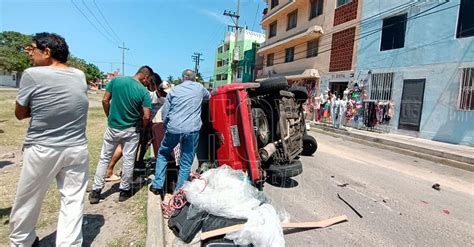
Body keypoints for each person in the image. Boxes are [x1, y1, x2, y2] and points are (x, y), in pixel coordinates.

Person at [10, 32, 89, 246]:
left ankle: (22, 240)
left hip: (42, 147)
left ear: (47, 52)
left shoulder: (32, 74)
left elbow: (20, 113)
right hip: (77, 147)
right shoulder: (80, 75)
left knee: (28, 199)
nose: (30, 54)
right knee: (73, 201)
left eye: (33, 49)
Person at [89, 66, 153, 204]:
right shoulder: (143, 92)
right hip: (131, 130)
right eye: (147, 80)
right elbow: (147, 115)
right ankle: (124, 191)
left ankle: (96, 191)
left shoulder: (116, 81)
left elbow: (105, 100)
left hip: (113, 127)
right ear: (145, 77)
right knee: (129, 159)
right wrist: (143, 126)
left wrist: (109, 116)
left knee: (104, 158)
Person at [150, 69, 210, 197]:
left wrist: (167, 126)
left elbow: (165, 112)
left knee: (163, 153)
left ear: (183, 78)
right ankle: (178, 192)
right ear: (195, 78)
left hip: (174, 129)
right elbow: (208, 97)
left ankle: (157, 185)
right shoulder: (199, 88)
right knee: (186, 162)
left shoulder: (174, 90)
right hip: (192, 130)